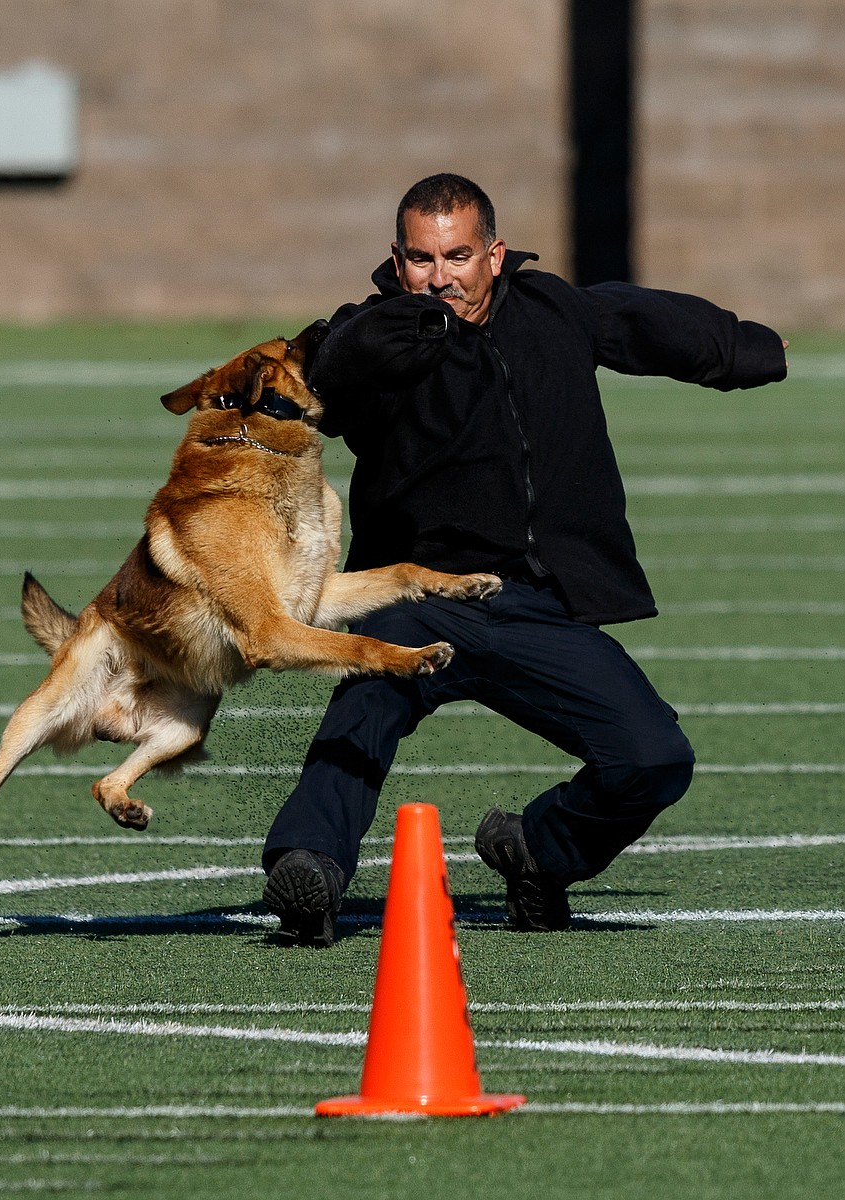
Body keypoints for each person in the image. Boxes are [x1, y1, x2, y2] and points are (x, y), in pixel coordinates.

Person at [260, 173, 788, 946]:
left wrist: (746, 350)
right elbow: (327, 371)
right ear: (397, 260)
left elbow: (646, 319)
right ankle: (307, 869)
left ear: (494, 254)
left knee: (652, 758)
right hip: (417, 592)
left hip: (534, 603)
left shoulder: (551, 311)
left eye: (458, 256)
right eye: (420, 259)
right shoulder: (372, 335)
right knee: (365, 707)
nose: (440, 276)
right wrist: (379, 337)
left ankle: (537, 851)